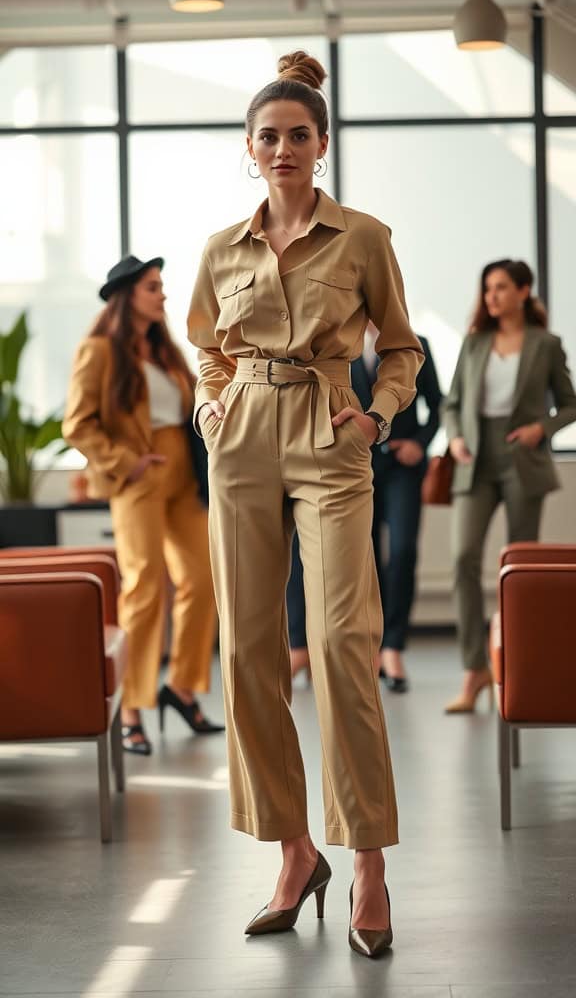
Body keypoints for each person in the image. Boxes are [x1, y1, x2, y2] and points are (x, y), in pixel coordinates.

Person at [186, 50, 424, 957]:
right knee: (248, 646)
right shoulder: (219, 250)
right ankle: (294, 853)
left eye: (297, 135)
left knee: (339, 645)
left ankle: (366, 861)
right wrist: (212, 404)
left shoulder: (362, 237)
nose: (283, 148)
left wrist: (379, 417)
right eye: (268, 138)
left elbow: (399, 346)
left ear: (320, 145)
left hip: (332, 433)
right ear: (249, 150)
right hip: (241, 432)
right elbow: (208, 346)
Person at [63, 255, 222, 755]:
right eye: (154, 287)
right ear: (128, 294)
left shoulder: (167, 352)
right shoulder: (99, 352)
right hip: (138, 476)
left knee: (203, 578)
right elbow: (77, 423)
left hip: (184, 475)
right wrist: (124, 461)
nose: (163, 294)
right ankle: (130, 707)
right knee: (145, 587)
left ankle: (182, 688)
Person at [444, 258, 576, 714]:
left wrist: (543, 428)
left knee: (519, 570)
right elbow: (452, 402)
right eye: (487, 289)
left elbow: (570, 405)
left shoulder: (546, 344)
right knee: (463, 558)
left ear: (523, 291)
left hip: (523, 460)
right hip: (476, 461)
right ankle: (474, 669)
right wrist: (456, 436)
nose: (491, 297)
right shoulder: (475, 342)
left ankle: (518, 668)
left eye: (500, 288)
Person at [287, 327, 442, 693]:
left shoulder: (415, 343)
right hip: (354, 463)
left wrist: (420, 444)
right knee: (361, 556)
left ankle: (393, 647)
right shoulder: (337, 342)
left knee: (403, 551)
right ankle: (366, 647)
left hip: (403, 465)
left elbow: (437, 405)